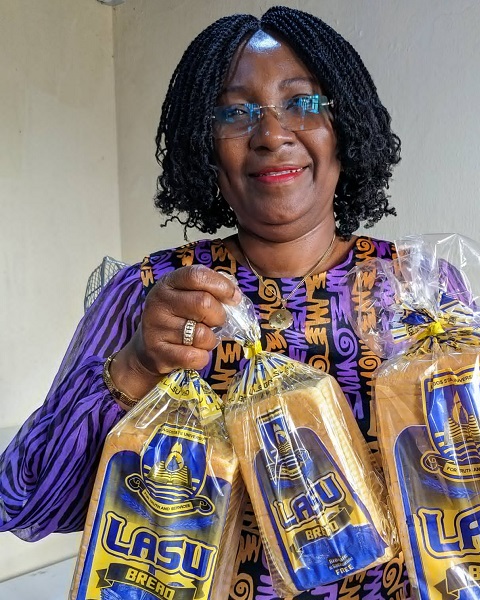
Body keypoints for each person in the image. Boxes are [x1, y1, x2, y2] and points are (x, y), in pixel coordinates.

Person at [0, 7, 411, 599]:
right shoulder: (151, 292)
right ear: (207, 150)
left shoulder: (419, 292)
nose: (271, 134)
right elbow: (24, 500)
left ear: (343, 127)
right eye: (235, 112)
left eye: (302, 102)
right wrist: (136, 367)